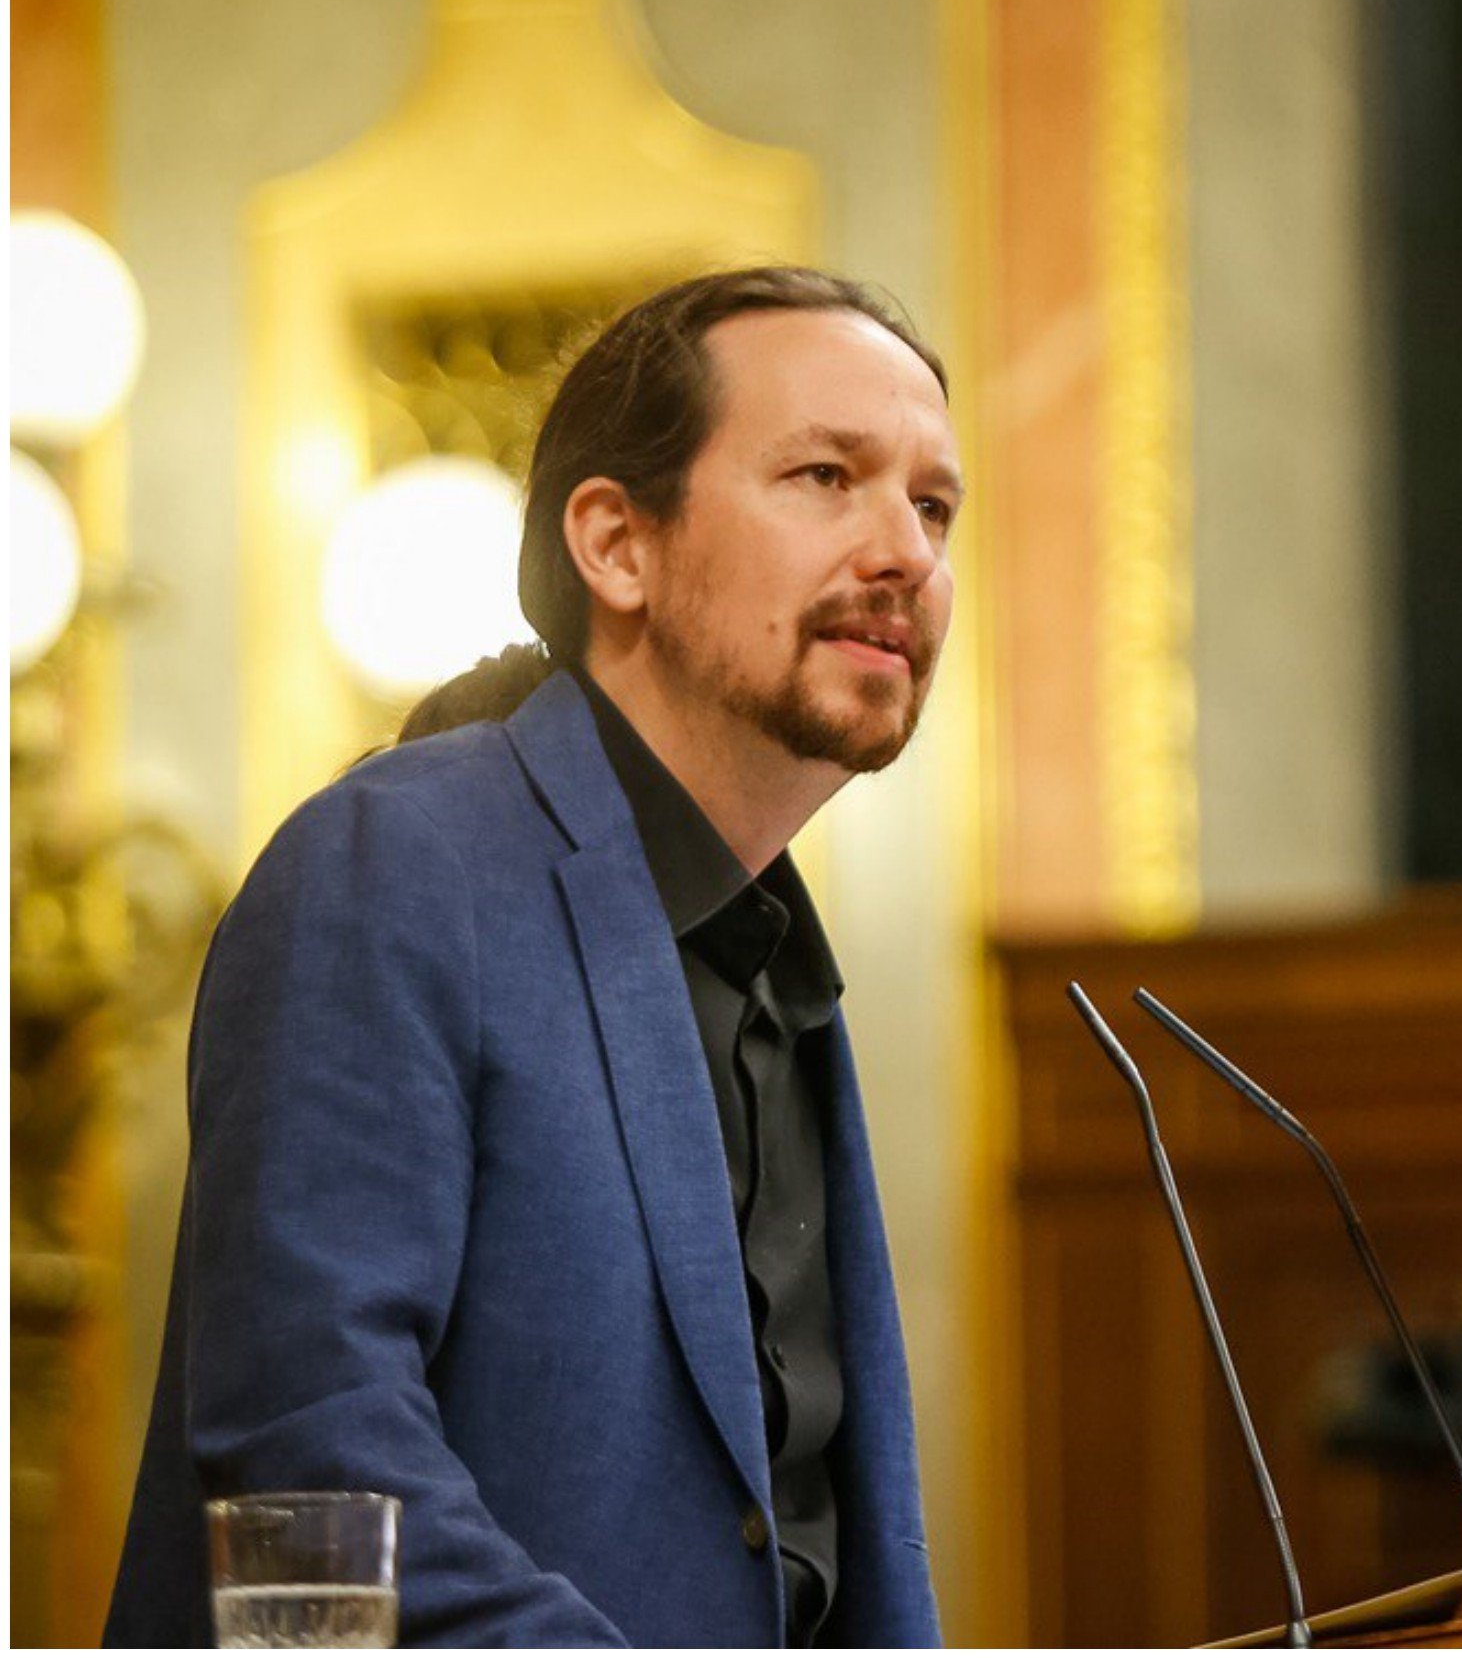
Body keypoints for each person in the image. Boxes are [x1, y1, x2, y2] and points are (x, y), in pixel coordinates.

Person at [107, 267, 960, 1644]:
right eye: (825, 475)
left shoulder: (778, 954)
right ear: (617, 544)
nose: (908, 551)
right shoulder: (389, 868)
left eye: (932, 504)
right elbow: (311, 1463)